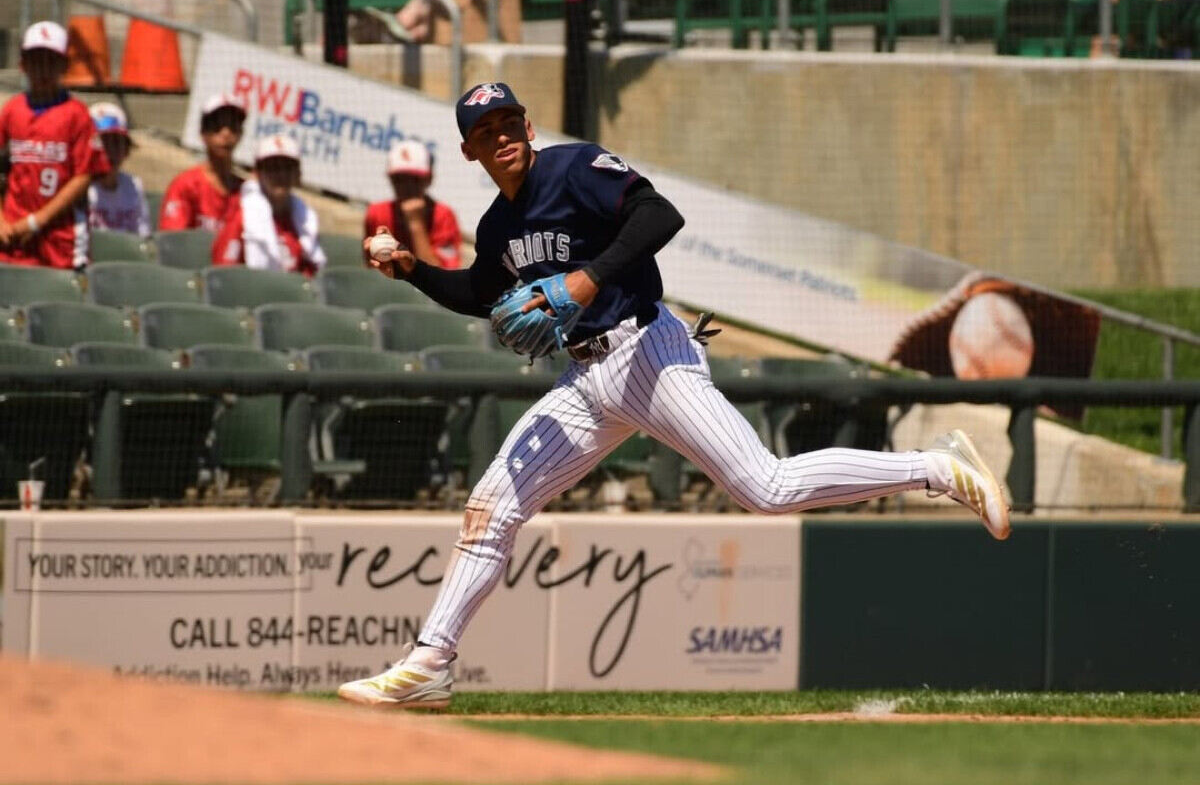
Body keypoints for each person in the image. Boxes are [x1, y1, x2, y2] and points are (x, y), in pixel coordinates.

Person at [337, 82, 1011, 710]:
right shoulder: (497, 228)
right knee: (490, 509)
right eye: (486, 132)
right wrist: (413, 270)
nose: (502, 136)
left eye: (509, 122)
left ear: (528, 127)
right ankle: (430, 663)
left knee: (766, 488)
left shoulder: (574, 169)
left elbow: (660, 214)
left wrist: (588, 279)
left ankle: (935, 467)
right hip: (585, 380)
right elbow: (481, 293)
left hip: (646, 351)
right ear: (470, 151)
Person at [0, 21, 110, 269]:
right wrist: (1, 221)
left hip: (60, 239)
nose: (43, 70)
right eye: (35, 61)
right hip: (13, 233)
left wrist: (37, 221)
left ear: (64, 66)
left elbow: (83, 176)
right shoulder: (12, 110)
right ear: (22, 65)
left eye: (51, 62)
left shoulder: (77, 114)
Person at [212, 134, 325, 275]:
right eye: (272, 168)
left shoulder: (305, 221)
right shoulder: (242, 216)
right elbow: (224, 273)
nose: (280, 175)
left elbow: (311, 275)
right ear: (257, 173)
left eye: (287, 168)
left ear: (297, 174)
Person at [362, 139, 462, 270]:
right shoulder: (376, 213)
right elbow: (371, 267)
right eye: (399, 179)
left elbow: (444, 276)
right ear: (390, 179)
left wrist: (416, 223)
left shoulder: (444, 217)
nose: (406, 187)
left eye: (414, 179)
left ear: (429, 179)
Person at [159, 94, 246, 233]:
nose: (226, 134)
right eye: (217, 125)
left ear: (241, 134)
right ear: (203, 133)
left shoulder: (247, 192)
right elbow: (173, 240)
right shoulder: (185, 186)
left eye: (233, 126)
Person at [86, 102, 150, 238]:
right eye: (103, 143)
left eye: (116, 143)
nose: (109, 152)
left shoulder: (133, 186)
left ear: (126, 150)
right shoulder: (79, 190)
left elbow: (143, 237)